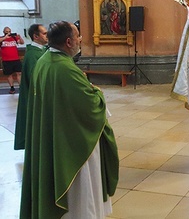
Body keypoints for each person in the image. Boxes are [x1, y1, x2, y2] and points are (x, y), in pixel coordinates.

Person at [20, 21, 119, 218]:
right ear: (68, 41)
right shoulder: (65, 68)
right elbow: (90, 106)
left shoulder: (45, 60)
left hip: (56, 132)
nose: (80, 40)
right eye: (78, 36)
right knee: (80, 193)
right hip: (70, 142)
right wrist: (97, 93)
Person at [14, 24, 48, 150]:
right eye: (44, 33)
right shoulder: (32, 55)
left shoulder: (43, 50)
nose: (47, 35)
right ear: (36, 36)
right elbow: (36, 79)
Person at [0, 26, 24, 94]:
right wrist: (5, 37)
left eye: (9, 31)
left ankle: (21, 86)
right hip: (6, 60)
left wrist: (20, 37)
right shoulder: (2, 38)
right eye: (6, 32)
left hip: (16, 59)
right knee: (9, 74)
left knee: (19, 73)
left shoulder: (14, 38)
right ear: (4, 32)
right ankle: (12, 87)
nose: (8, 33)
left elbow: (21, 42)